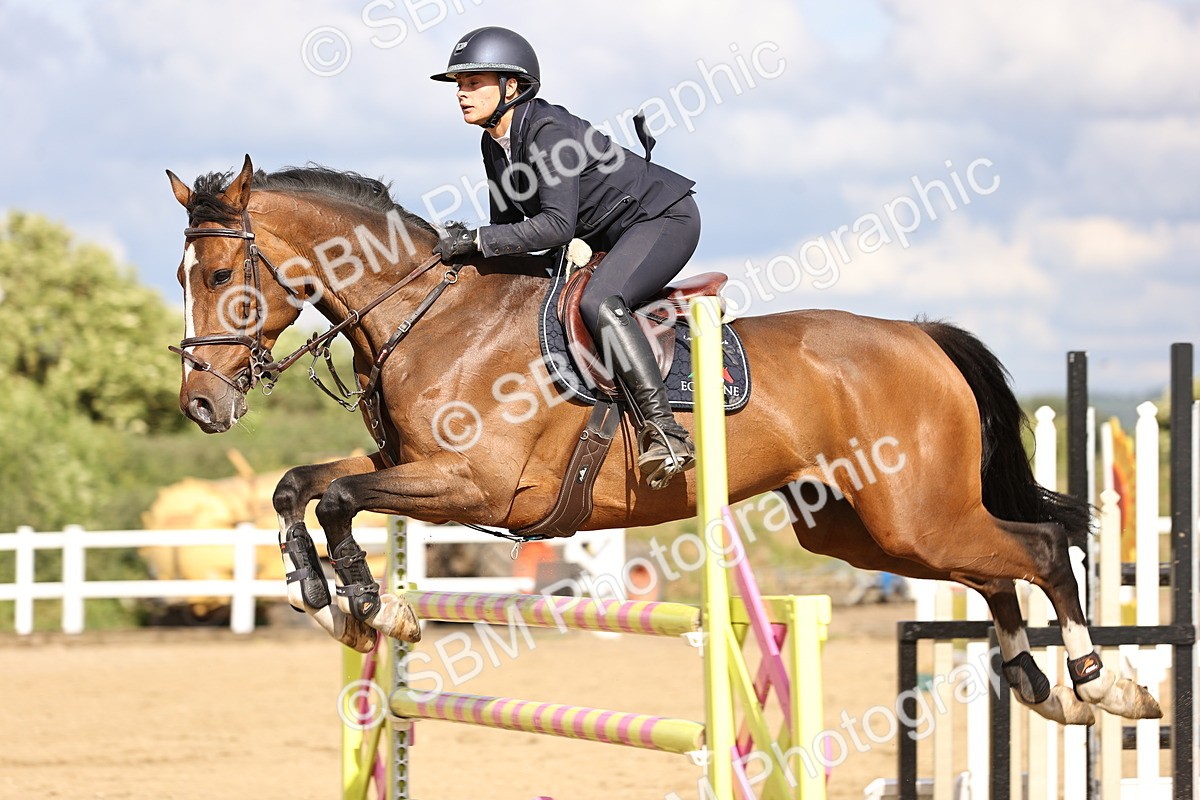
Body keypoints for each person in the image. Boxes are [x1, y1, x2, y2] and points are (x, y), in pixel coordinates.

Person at [430, 26, 702, 490]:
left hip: (662, 219)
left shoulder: (548, 132)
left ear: (511, 87)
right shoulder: (493, 143)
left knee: (599, 300)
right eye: (459, 84)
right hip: (610, 233)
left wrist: (476, 239)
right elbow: (508, 230)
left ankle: (666, 431)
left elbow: (556, 226)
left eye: (473, 83)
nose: (461, 93)